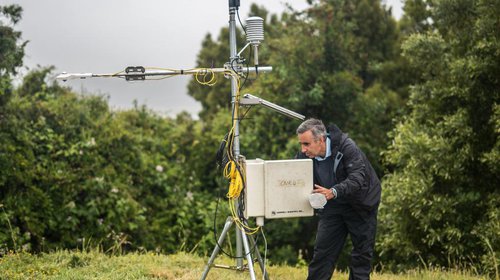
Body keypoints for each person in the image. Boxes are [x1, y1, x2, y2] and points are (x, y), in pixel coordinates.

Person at [296, 118, 381, 280]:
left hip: (360, 204)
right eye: (301, 144)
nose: (303, 149)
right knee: (322, 254)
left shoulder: (347, 147)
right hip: (332, 206)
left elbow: (357, 178)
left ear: (321, 140)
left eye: (306, 144)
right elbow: (293, 177)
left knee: (361, 256)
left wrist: (334, 191)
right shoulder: (304, 156)